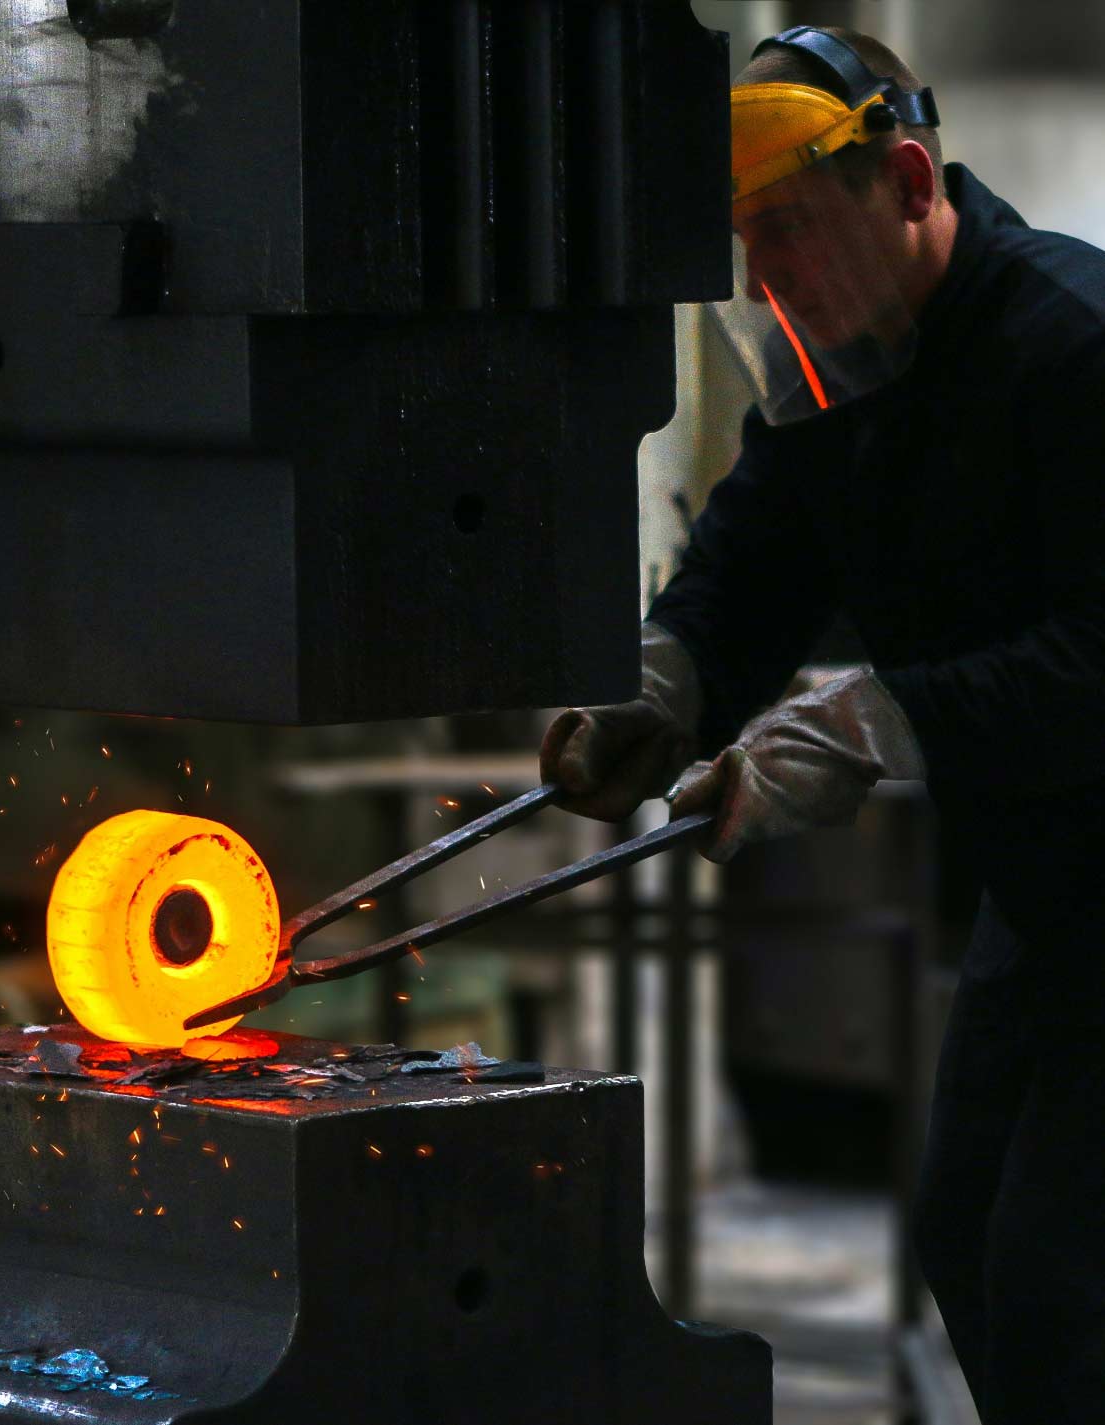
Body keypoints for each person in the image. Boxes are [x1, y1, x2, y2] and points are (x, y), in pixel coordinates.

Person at [540, 25, 1105, 1425]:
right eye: (746, 244)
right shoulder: (841, 370)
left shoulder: (1071, 343)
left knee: (1059, 1287)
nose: (766, 278)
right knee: (965, 1236)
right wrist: (663, 684)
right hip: (1050, 895)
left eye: (786, 228)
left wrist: (881, 722)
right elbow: (755, 561)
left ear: (905, 182)